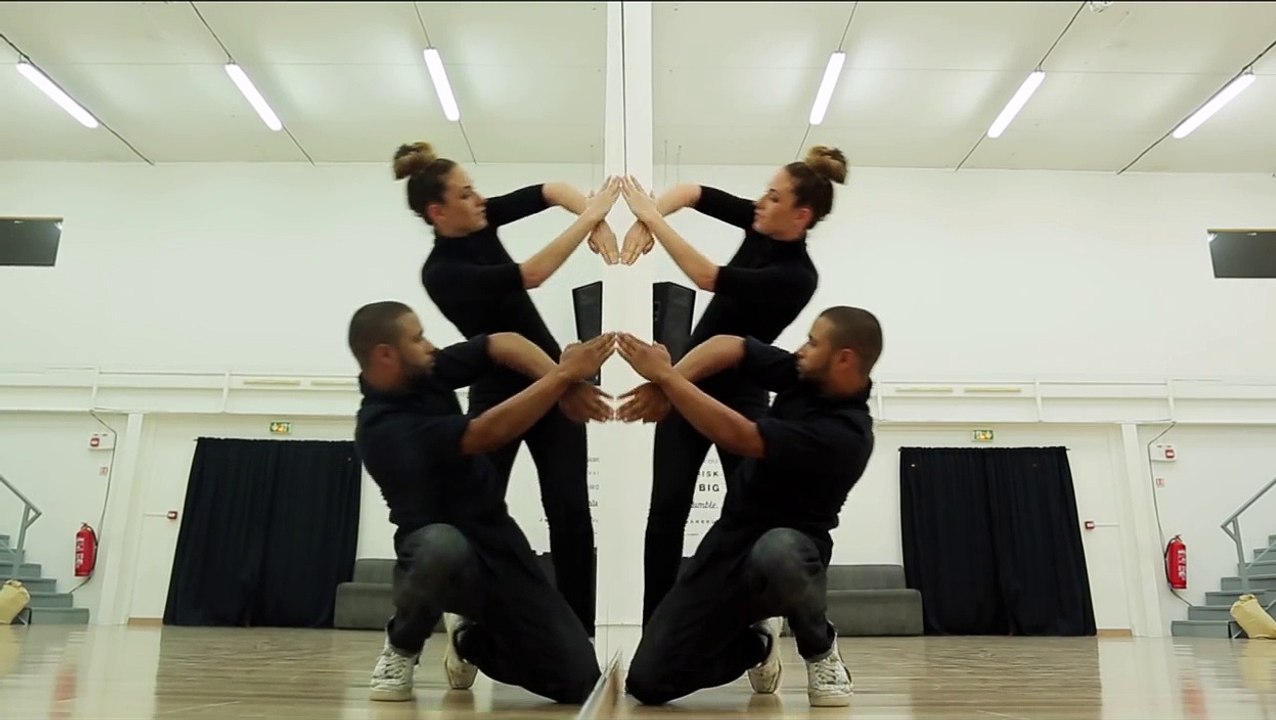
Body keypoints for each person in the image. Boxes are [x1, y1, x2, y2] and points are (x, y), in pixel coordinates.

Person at [614, 146, 849, 623]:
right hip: (687, 387)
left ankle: (761, 618)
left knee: (754, 514)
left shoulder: (796, 277)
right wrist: (649, 216)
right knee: (666, 515)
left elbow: (707, 277)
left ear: (800, 214)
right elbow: (693, 192)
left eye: (774, 196)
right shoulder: (761, 221)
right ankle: (655, 628)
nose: (760, 202)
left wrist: (651, 221)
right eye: (765, 192)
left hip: (739, 399)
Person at [393, 141, 621, 634]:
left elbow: (554, 189)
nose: (480, 200)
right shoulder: (443, 273)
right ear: (439, 211)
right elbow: (532, 275)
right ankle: (463, 620)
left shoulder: (480, 217)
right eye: (466, 194)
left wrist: (594, 219)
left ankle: (579, 633)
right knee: (476, 510)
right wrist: (590, 219)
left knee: (569, 512)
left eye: (476, 191)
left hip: (557, 387)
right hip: (500, 393)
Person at [615, 305, 882, 708]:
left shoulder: (847, 434)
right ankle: (757, 646)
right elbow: (730, 346)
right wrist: (668, 383)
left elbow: (742, 437)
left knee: (779, 550)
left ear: (844, 358)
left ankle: (819, 648)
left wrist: (667, 378)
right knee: (648, 682)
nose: (802, 349)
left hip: (789, 548)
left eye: (813, 342)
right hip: (729, 542)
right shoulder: (805, 374)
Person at [349, 300, 615, 704]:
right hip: (443, 552)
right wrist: (562, 376)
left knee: (578, 679)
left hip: (497, 541)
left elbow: (502, 343)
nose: (430, 345)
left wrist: (570, 387)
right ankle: (402, 646)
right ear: (385, 355)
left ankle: (469, 639)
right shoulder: (381, 428)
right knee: (442, 547)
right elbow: (484, 434)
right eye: (418, 338)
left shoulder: (426, 371)